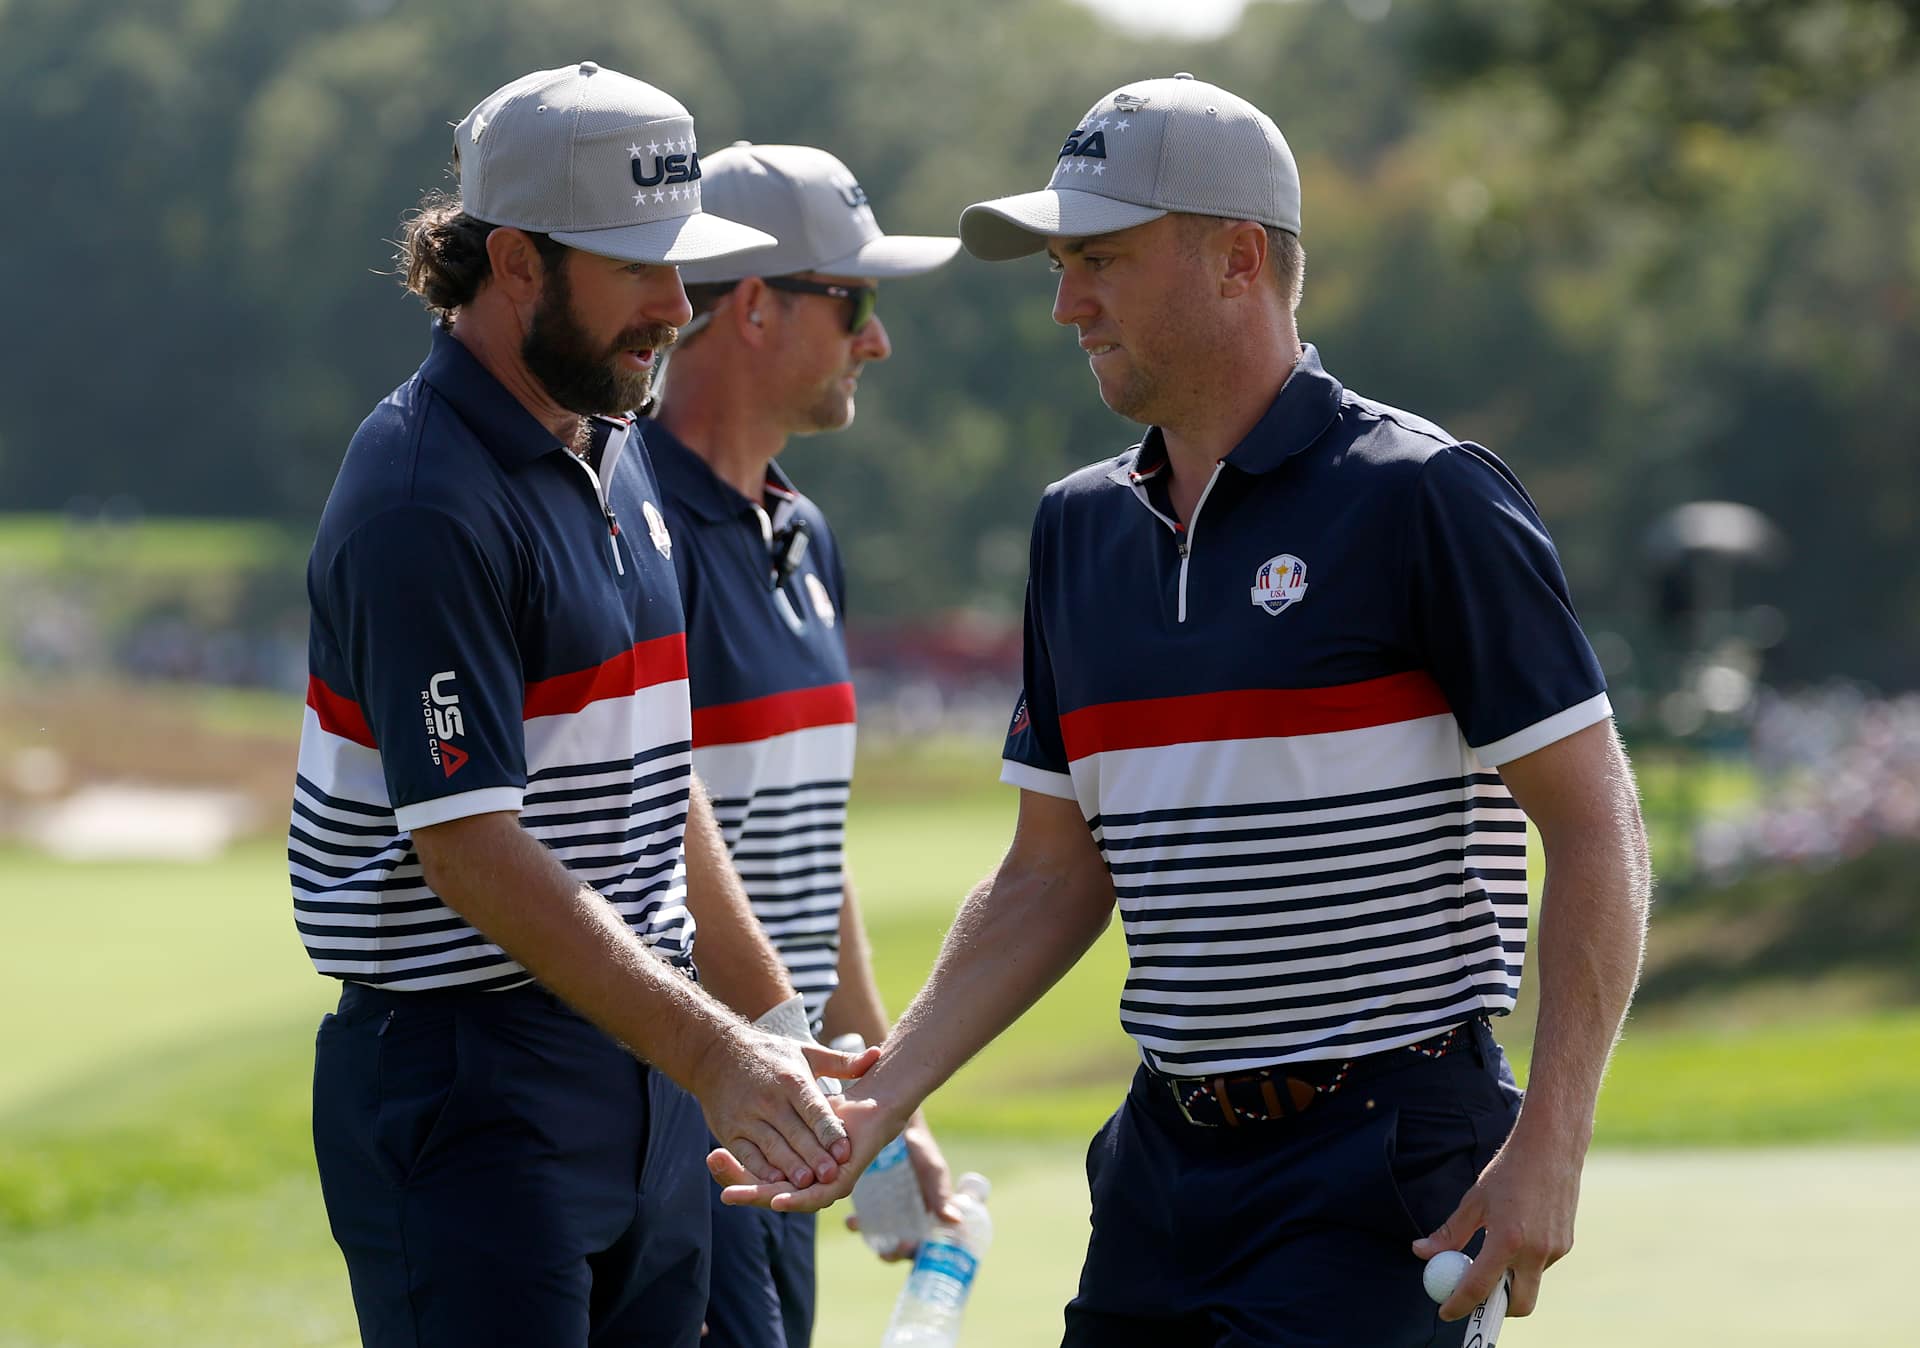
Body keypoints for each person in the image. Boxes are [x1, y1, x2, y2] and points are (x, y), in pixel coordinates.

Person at [710, 74, 1652, 1347]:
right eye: (1060, 264)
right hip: (1163, 1162)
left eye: (1099, 258)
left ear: (1238, 260)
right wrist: (885, 1094)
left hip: (1386, 1160)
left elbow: (1599, 828)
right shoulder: (1077, 529)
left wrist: (1555, 1137)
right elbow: (1051, 874)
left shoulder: (1426, 496)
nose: (1066, 301)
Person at [289, 62, 876, 1348]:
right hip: (468, 1086)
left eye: (685, 266)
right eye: (639, 269)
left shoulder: (613, 447)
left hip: (638, 1061)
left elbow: (663, 782)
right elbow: (470, 851)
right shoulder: (421, 496)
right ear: (514, 263)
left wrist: (767, 1028)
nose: (679, 305)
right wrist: (718, 1052)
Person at [648, 142, 962, 1348]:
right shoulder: (636, 524)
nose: (876, 341)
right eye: (857, 304)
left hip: (785, 1101)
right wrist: (801, 1068)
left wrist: (877, 1092)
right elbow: (673, 827)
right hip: (691, 1113)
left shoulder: (805, 534)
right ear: (756, 307)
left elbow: (805, 847)